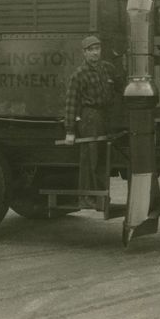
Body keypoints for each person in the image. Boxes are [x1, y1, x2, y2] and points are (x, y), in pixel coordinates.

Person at [63, 35, 118, 210]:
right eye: (91, 50)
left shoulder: (107, 69)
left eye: (97, 49)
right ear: (84, 53)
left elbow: (119, 85)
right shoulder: (79, 75)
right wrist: (70, 130)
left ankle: (100, 198)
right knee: (91, 158)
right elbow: (71, 103)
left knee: (101, 157)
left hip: (104, 116)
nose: (95, 53)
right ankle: (88, 198)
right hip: (90, 117)